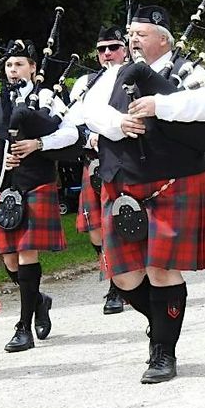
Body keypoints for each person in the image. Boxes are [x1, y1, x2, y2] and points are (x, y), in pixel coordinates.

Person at [81, 5, 205, 383]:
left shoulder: (185, 70)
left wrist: (159, 104)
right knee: (125, 276)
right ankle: (159, 322)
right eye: (131, 35)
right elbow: (89, 111)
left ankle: (163, 350)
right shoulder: (113, 73)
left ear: (163, 39)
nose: (132, 41)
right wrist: (119, 122)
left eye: (140, 34)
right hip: (123, 182)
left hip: (171, 179)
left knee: (162, 269)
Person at [0, 39, 72, 353]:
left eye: (19, 64)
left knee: (26, 253)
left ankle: (23, 327)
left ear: (33, 67)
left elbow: (70, 132)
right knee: (9, 260)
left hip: (36, 181)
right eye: (9, 65)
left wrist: (38, 144)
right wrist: (1, 158)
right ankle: (39, 300)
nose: (13, 70)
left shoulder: (47, 96)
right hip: (7, 185)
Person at [70, 26, 130, 314]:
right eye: (102, 49)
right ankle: (113, 273)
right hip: (93, 162)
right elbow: (71, 121)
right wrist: (87, 137)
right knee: (96, 232)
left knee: (117, 226)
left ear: (125, 49)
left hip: (123, 162)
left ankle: (116, 286)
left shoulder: (134, 77)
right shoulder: (85, 82)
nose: (108, 53)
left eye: (114, 47)